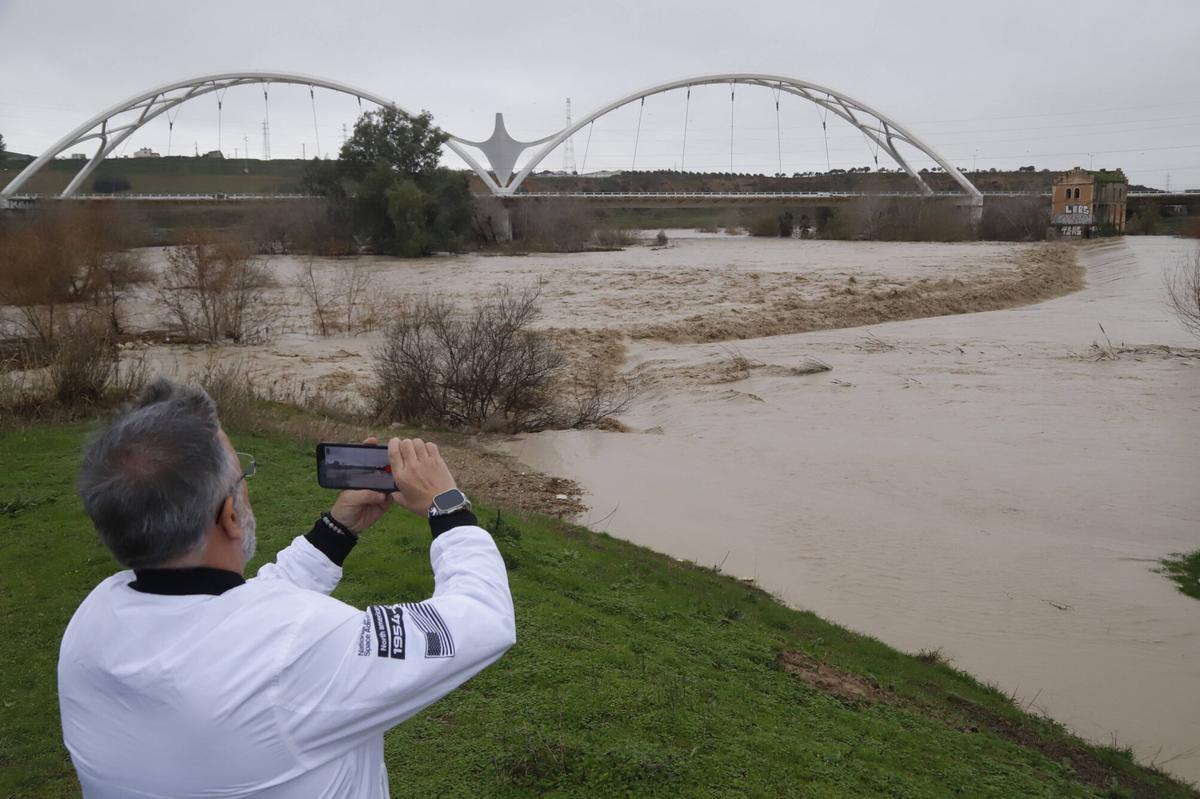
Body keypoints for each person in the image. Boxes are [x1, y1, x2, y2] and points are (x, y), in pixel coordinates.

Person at [58, 378, 515, 797]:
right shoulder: (306, 647)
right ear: (230, 517)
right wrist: (448, 507)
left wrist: (337, 531)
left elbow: (240, 617)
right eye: (242, 478)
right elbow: (481, 618)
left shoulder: (91, 623)